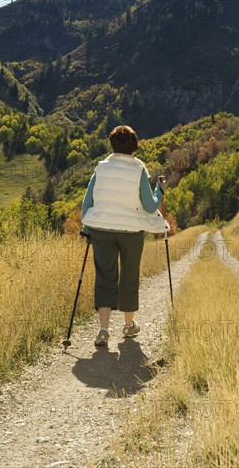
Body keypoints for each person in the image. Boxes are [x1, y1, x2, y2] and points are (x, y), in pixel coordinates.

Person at [81, 125, 169, 347]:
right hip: (130, 231)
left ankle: (103, 330)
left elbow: (86, 203)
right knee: (129, 276)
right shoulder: (138, 170)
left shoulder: (100, 169)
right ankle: (128, 325)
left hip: (101, 230)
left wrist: (89, 226)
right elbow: (150, 207)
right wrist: (161, 191)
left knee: (105, 277)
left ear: (112, 144)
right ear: (134, 146)